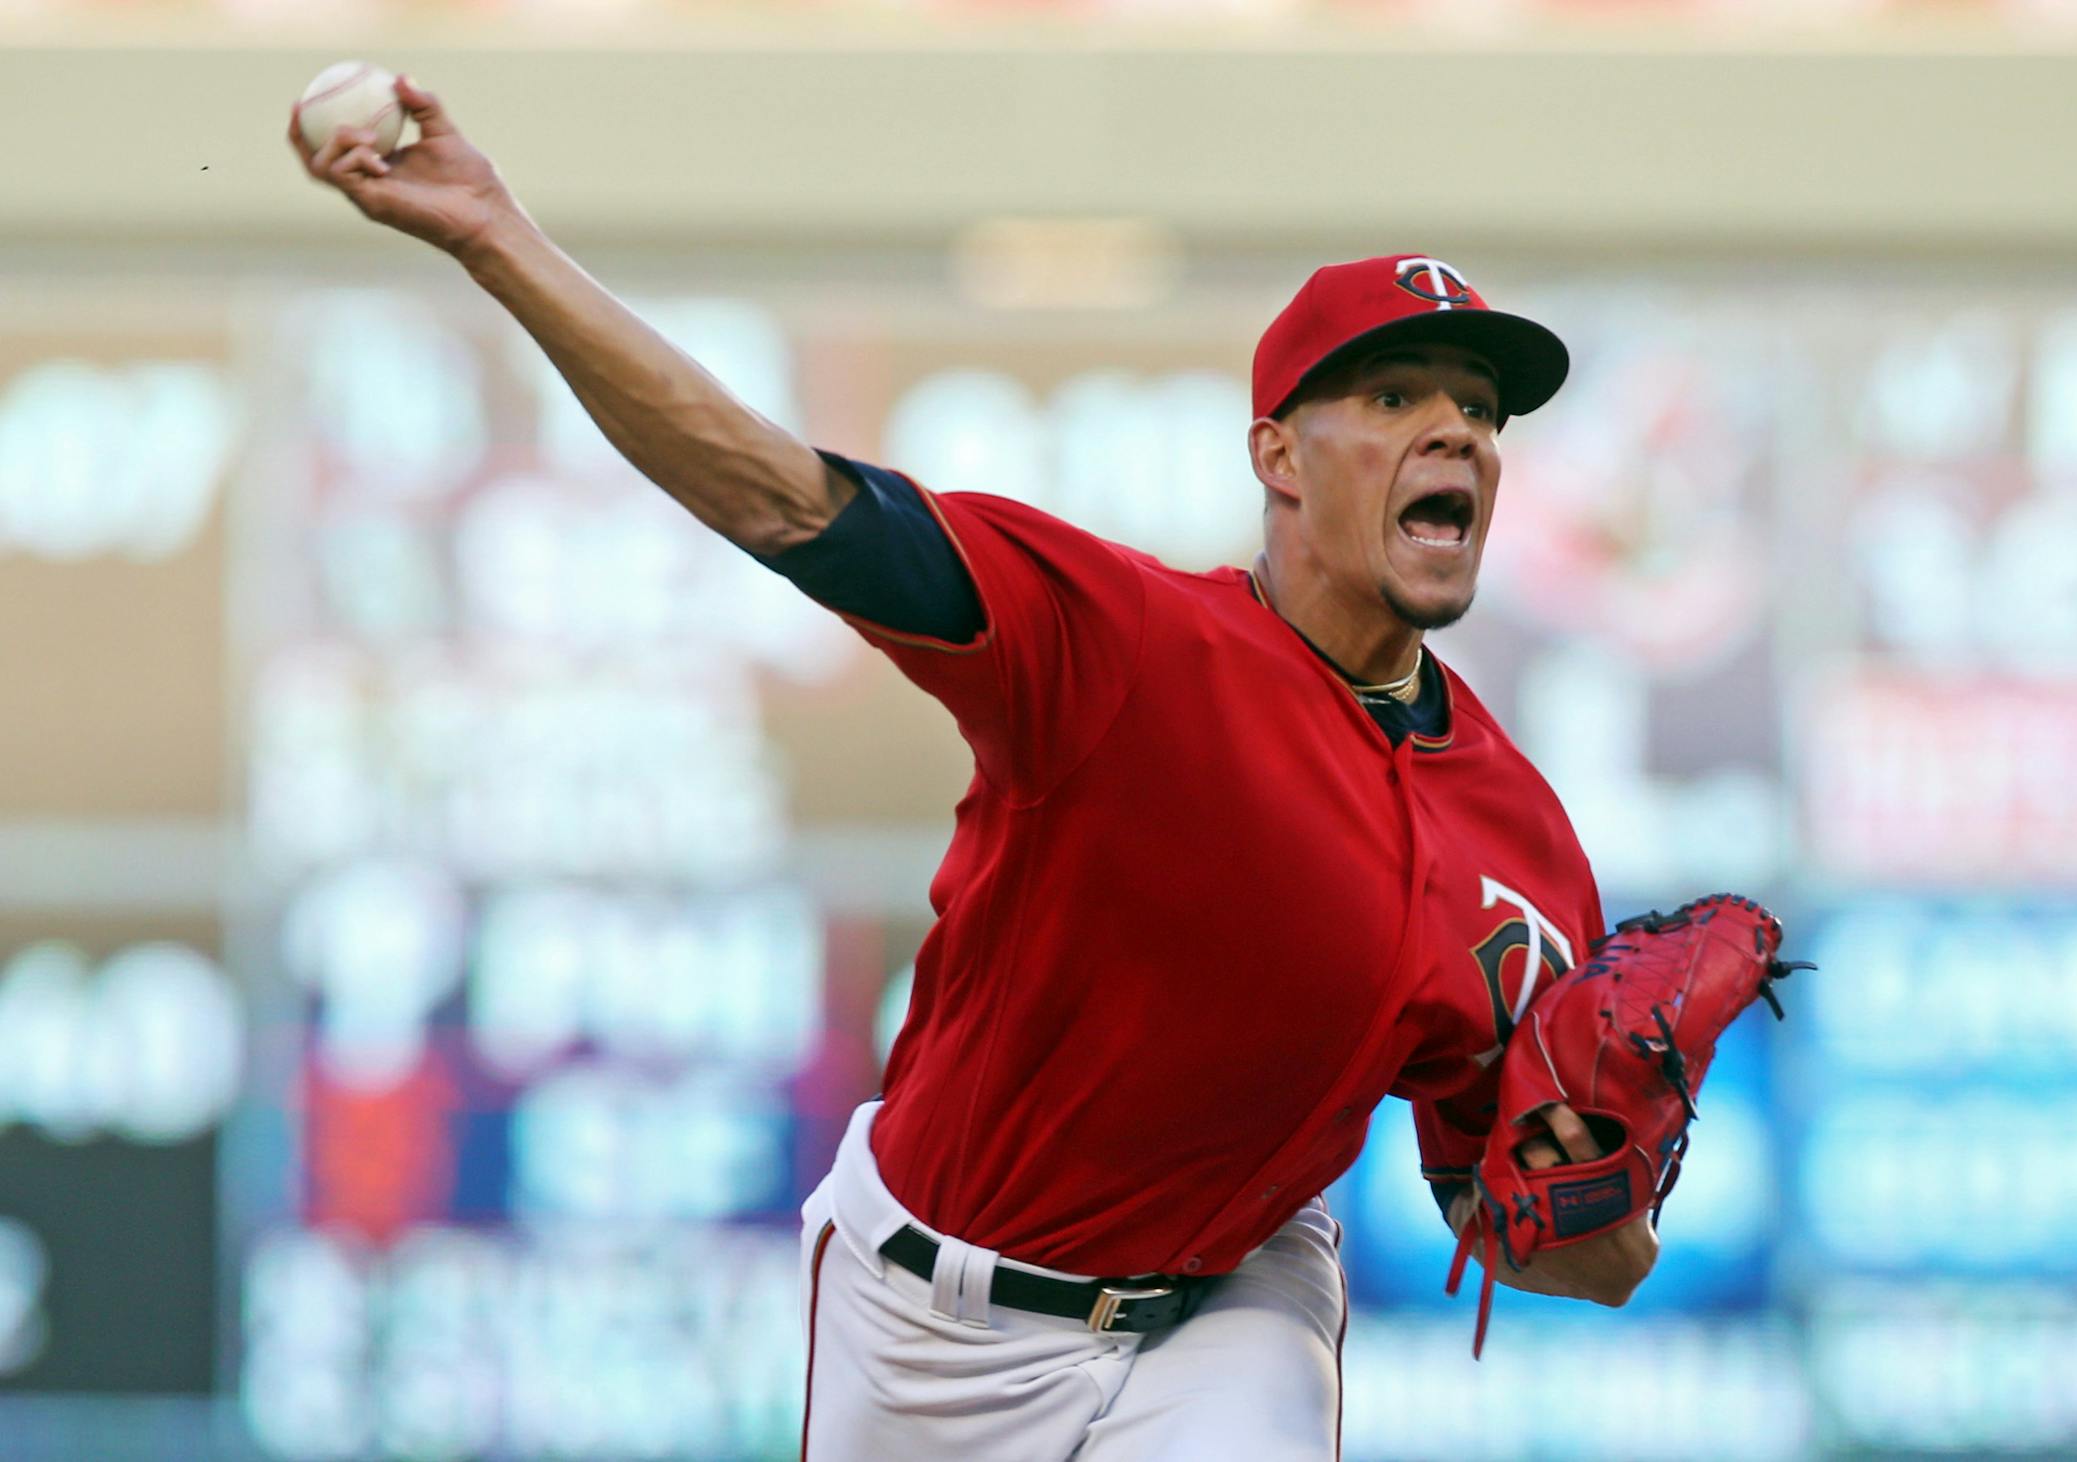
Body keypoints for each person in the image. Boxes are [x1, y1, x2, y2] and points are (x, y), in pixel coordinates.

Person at [291, 79, 1658, 1461]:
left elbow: (1549, 1245)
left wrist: (1602, 1200)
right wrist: (494, 236)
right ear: (1278, 455)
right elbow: (778, 493)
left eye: (1481, 408)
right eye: (1395, 394)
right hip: (933, 1319)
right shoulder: (1124, 645)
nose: (1458, 432)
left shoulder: (1525, 841)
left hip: (1232, 1303)